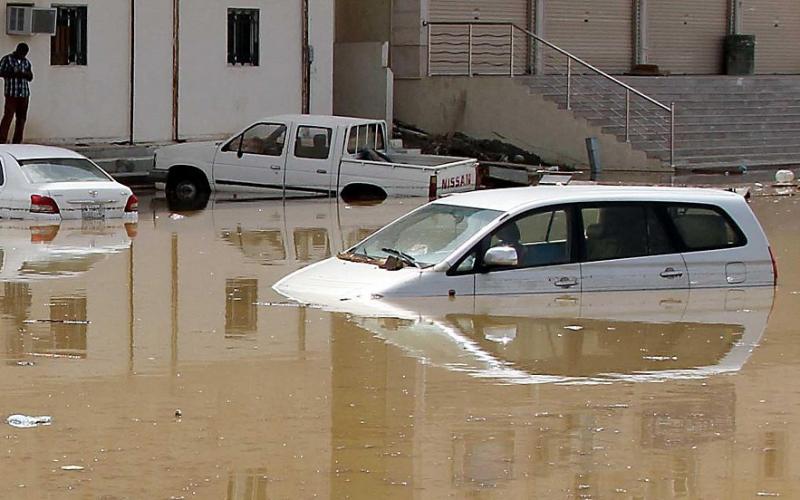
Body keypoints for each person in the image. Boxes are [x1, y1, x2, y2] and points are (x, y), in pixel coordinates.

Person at [0, 43, 33, 144]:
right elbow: (0, 72)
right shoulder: (7, 59)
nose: (23, 55)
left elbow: (30, 77)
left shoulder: (26, 62)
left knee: (21, 119)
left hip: (24, 94)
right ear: (17, 50)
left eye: (25, 54)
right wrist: (14, 74)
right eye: (22, 52)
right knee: (8, 117)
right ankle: (1, 140)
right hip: (11, 93)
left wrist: (25, 74)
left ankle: (17, 141)